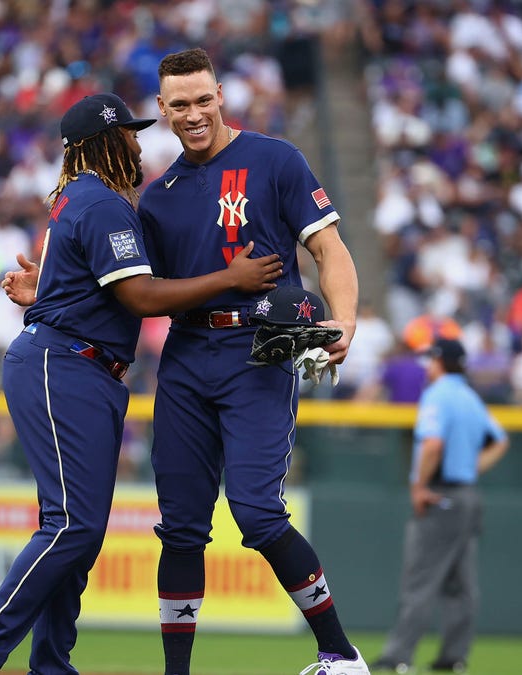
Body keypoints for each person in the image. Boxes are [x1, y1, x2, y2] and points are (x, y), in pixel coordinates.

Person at [0, 92, 282, 675]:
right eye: (127, 133)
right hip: (65, 363)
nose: (138, 141)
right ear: (103, 142)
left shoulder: (89, 199)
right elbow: (139, 296)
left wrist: (44, 290)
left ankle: (49, 665)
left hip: (82, 364)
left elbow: (84, 285)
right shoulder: (100, 203)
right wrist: (230, 276)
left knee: (76, 532)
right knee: (73, 525)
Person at [139, 48, 365, 675]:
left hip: (258, 353)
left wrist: (343, 319)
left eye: (202, 99)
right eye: (178, 104)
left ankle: (340, 654)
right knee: (180, 528)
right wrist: (44, 294)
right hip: (185, 357)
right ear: (162, 110)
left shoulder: (274, 159)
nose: (193, 113)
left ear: (221, 96)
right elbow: (136, 290)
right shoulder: (159, 198)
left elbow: (328, 248)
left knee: (259, 513)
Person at [370, 338, 508, 674]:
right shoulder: (470, 397)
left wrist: (418, 486)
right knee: (461, 585)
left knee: (420, 580)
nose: (427, 368)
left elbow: (433, 444)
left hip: (441, 494)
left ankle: (399, 655)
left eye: (431, 361)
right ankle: (454, 657)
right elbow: (500, 440)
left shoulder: (438, 394)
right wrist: (472, 467)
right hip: (468, 495)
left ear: (442, 362)